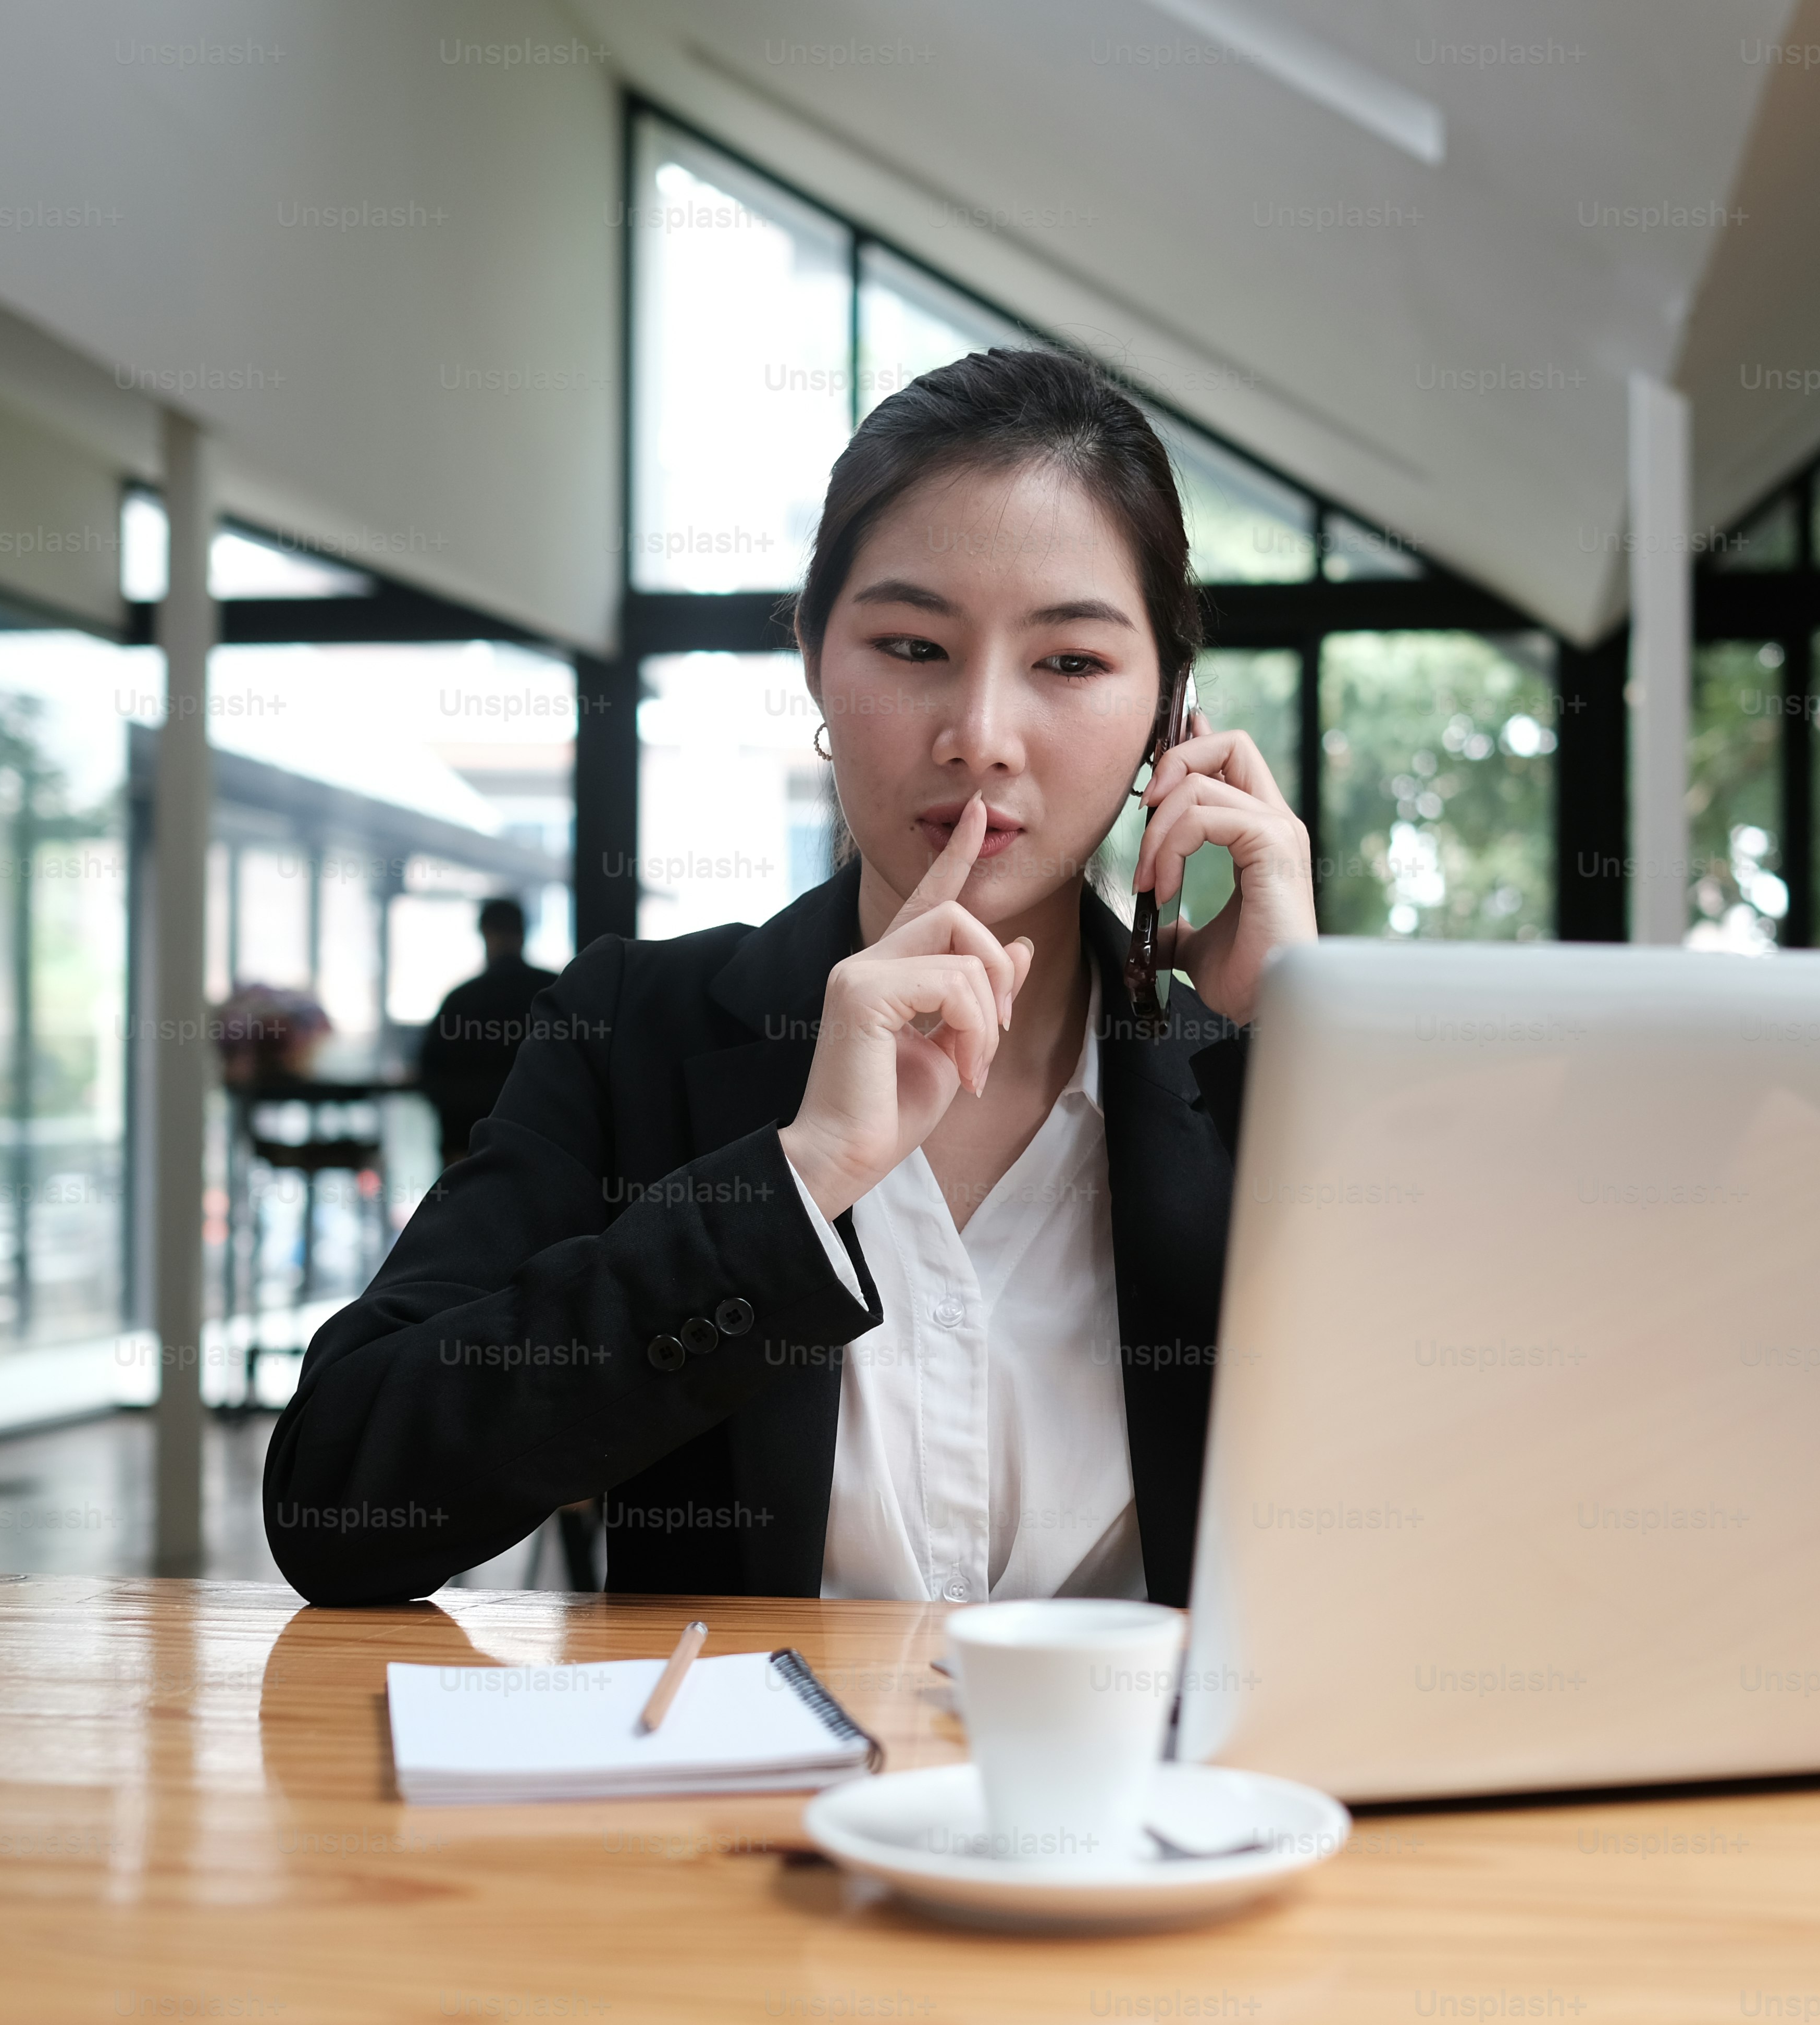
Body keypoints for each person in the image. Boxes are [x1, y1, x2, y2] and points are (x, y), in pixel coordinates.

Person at [264, 348, 1316, 1605]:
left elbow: (1445, 1520)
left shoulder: (1253, 1071)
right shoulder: (632, 1033)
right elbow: (337, 1498)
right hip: (754, 1804)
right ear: (816, 659)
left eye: (1070, 663)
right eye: (912, 645)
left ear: (1168, 713)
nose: (978, 734)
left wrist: (1300, 1059)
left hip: (1152, 1799)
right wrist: (797, 1179)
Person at [414, 898, 559, 1165]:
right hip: (547, 1143)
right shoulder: (554, 993)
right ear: (525, 933)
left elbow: (430, 1072)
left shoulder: (460, 1000)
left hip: (467, 1144)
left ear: (484, 933)